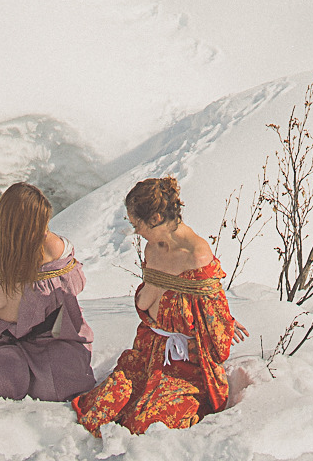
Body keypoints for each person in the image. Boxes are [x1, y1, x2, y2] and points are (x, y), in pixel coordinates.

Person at [73, 175, 241, 436]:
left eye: (136, 223)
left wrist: (223, 319)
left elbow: (217, 338)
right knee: (103, 408)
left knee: (147, 423)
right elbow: (145, 302)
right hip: (148, 350)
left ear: (154, 219)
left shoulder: (197, 256)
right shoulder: (153, 249)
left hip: (183, 360)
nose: (135, 230)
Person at [0, 182, 94, 401]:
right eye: (37, 225)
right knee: (0, 385)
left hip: (51, 338)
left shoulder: (52, 247)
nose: (44, 231)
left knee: (61, 385)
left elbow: (76, 285)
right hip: (4, 340)